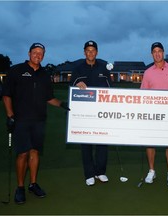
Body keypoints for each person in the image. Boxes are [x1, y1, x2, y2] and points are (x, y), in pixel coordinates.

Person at [2, 43, 70, 204]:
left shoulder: (45, 75)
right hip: (21, 120)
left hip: (39, 120)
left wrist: (62, 104)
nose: (38, 55)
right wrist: (10, 115)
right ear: (29, 53)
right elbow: (6, 94)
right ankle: (20, 187)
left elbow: (49, 97)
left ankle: (33, 184)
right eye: (35, 52)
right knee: (22, 153)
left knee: (34, 152)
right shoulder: (16, 70)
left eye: (41, 53)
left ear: (43, 56)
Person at [140, 42, 168, 187]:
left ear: (164, 53)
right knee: (150, 143)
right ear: (151, 54)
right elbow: (143, 94)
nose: (157, 53)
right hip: (152, 114)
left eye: (160, 51)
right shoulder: (148, 72)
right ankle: (151, 170)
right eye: (154, 51)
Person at [70, 40, 112, 186]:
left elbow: (110, 91)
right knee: (86, 145)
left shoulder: (103, 68)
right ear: (84, 52)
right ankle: (89, 174)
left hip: (101, 113)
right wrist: (76, 85)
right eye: (88, 50)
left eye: (93, 50)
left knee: (102, 143)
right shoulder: (77, 69)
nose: (90, 53)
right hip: (84, 114)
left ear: (97, 52)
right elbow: (72, 89)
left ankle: (100, 172)